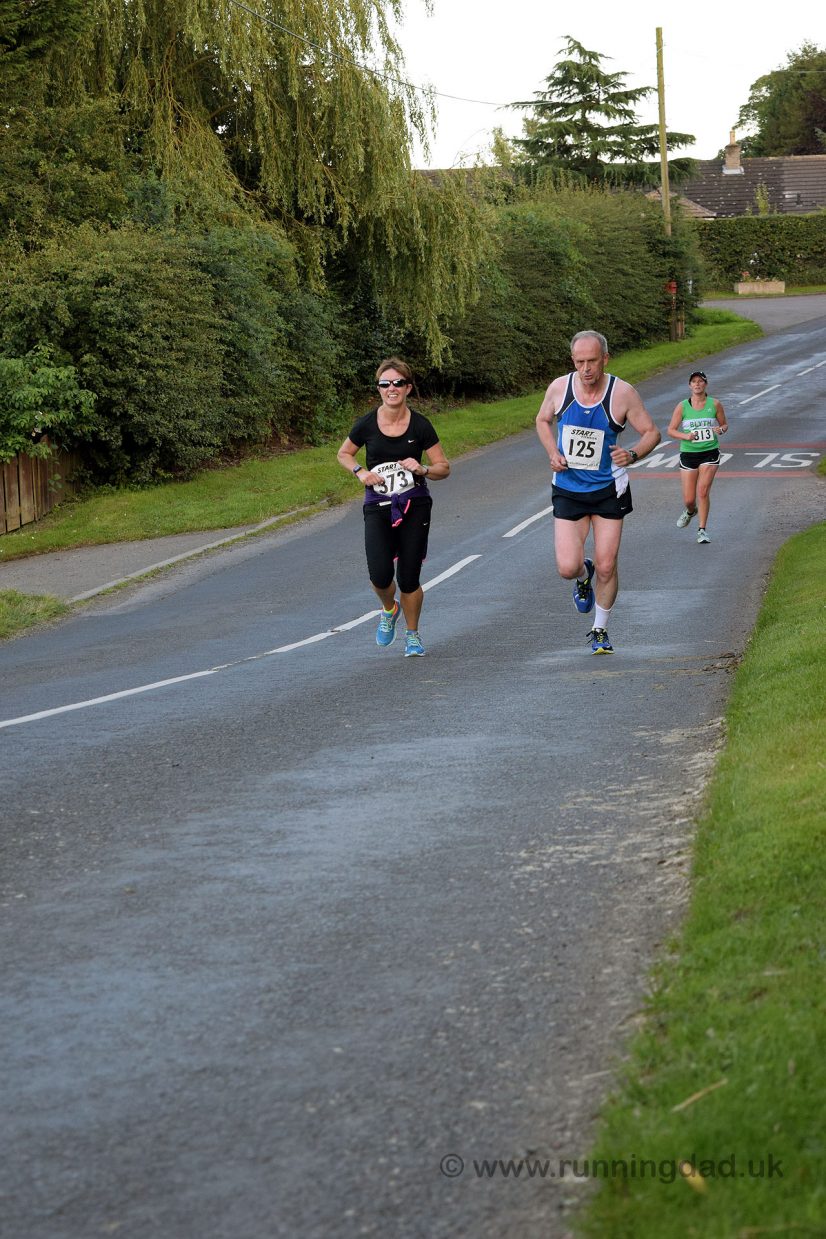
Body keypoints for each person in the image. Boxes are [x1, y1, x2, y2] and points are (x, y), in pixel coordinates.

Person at [535, 330, 661, 654]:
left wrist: (633, 454)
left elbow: (651, 432)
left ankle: (600, 629)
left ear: (605, 358)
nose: (586, 368)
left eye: (592, 361)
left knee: (608, 564)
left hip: (608, 488)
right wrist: (552, 451)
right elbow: (542, 419)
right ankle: (583, 573)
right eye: (580, 362)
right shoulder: (560, 388)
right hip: (568, 489)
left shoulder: (622, 394)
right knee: (567, 567)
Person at [337, 357, 450, 657]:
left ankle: (412, 635)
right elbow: (344, 454)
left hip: (415, 504)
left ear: (408, 388)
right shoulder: (366, 424)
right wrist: (360, 472)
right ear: (378, 389)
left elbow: (443, 467)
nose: (391, 388)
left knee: (409, 577)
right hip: (378, 505)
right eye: (385, 384)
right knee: (379, 574)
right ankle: (389, 609)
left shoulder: (420, 425)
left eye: (398, 383)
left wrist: (423, 469)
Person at [667, 370, 728, 543]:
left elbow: (724, 424)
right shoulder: (682, 406)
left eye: (700, 381)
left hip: (710, 452)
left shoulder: (714, 404)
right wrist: (686, 436)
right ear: (689, 385)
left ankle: (702, 530)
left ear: (705, 384)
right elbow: (670, 430)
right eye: (694, 381)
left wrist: (721, 430)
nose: (697, 384)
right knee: (689, 499)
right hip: (688, 454)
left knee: (703, 491)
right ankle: (690, 511)